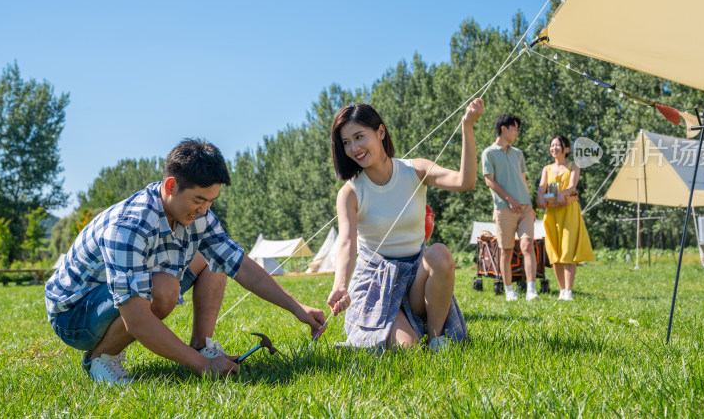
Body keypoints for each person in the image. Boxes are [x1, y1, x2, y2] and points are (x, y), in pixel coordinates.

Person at [45, 139, 326, 385]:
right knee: (164, 288)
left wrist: (297, 308)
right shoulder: (130, 225)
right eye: (198, 200)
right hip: (74, 315)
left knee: (213, 260)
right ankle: (100, 359)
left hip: (111, 299)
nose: (204, 210)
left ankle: (202, 346)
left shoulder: (198, 215)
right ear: (170, 185)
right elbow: (138, 320)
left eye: (211, 201)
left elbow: (238, 263)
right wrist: (203, 367)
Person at [326, 98, 484, 351]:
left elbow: (465, 181)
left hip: (416, 279)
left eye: (359, 137)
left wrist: (467, 127)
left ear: (380, 132)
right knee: (407, 347)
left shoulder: (415, 170)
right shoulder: (350, 192)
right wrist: (340, 286)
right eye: (346, 142)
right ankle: (371, 338)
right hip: (377, 283)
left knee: (440, 254)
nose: (353, 148)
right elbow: (346, 243)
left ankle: (435, 340)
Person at [481, 114, 539, 302]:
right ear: (504, 129)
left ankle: (531, 290)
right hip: (504, 208)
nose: (517, 133)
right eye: (515, 129)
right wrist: (510, 199)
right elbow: (489, 181)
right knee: (505, 250)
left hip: (525, 208)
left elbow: (523, 180)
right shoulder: (488, 153)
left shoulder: (518, 153)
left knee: (527, 245)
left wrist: (529, 203)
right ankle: (509, 291)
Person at [536, 135, 595, 301]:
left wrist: (561, 193)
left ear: (566, 149)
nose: (554, 148)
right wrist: (539, 199)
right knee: (554, 253)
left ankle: (568, 291)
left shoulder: (573, 166)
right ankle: (561, 290)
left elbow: (571, 187)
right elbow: (541, 190)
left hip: (569, 212)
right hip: (551, 213)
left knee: (567, 249)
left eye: (558, 145)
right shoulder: (546, 169)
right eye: (552, 145)